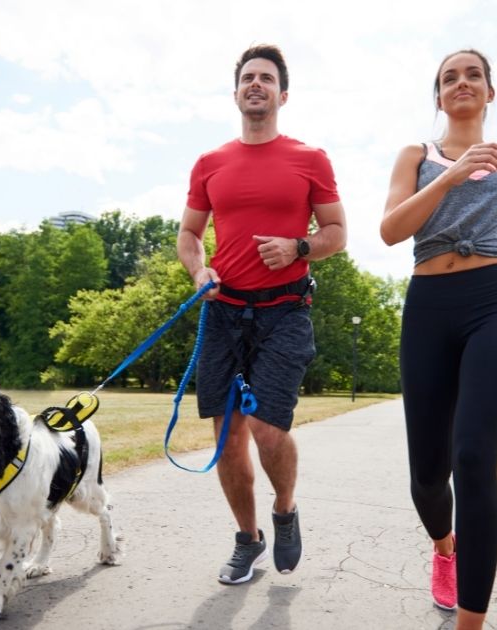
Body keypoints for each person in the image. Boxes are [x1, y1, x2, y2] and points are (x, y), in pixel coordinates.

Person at [380, 49, 497, 628]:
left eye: (473, 75)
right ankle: (444, 546)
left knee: (475, 458)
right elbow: (390, 230)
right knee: (428, 479)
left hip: (492, 306)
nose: (462, 83)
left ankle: (471, 620)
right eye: (449, 78)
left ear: (490, 92)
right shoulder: (418, 154)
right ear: (439, 97)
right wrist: (455, 172)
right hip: (430, 308)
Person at [177, 44, 347, 585]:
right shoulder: (210, 163)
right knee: (227, 435)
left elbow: (337, 235)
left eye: (266, 78)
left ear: (282, 94)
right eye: (248, 77)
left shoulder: (310, 158)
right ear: (236, 93)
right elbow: (187, 235)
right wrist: (199, 273)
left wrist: (299, 247)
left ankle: (285, 509)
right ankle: (247, 540)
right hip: (223, 313)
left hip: (285, 312)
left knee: (267, 428)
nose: (256, 84)